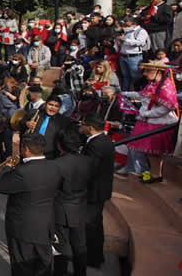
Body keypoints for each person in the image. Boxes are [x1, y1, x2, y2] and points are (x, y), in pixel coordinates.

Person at [0, 133, 62, 276]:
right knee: (43, 264)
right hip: (45, 226)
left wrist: (7, 167)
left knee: (22, 266)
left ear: (26, 149)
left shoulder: (22, 171)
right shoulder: (55, 166)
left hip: (22, 228)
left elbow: (1, 186)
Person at [120, 63, 179, 180]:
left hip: (159, 123)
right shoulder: (152, 84)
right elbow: (142, 96)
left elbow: (166, 108)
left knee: (154, 153)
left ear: (158, 72)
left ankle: (156, 174)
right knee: (145, 151)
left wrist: (147, 114)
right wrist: (125, 93)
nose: (145, 74)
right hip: (148, 121)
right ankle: (148, 172)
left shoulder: (166, 86)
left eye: (148, 71)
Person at [53, 129, 91, 276]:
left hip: (60, 209)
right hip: (80, 207)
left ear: (59, 145)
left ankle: (60, 272)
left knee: (61, 245)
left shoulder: (57, 164)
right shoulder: (87, 161)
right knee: (80, 244)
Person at [81, 114, 115, 269]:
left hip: (94, 192)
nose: (81, 126)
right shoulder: (104, 140)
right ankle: (95, 256)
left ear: (90, 128)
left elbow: (90, 169)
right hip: (99, 190)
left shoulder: (97, 145)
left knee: (91, 226)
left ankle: (91, 258)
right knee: (95, 225)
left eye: (84, 124)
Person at [20, 95, 71, 160]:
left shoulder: (63, 121)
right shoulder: (34, 113)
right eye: (50, 104)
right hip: (30, 151)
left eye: (56, 106)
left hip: (50, 154)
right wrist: (26, 123)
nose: (53, 108)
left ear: (59, 108)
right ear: (45, 104)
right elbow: (21, 123)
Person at [117, 16, 150, 91]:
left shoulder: (141, 31)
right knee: (126, 76)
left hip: (134, 57)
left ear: (132, 22)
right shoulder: (127, 32)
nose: (124, 24)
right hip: (123, 56)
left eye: (126, 22)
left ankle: (136, 91)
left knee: (136, 76)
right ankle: (125, 92)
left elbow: (141, 42)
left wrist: (126, 40)